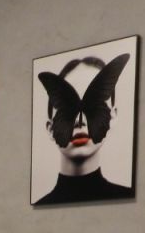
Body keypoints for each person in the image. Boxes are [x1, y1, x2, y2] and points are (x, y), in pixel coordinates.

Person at [33, 54, 133, 205]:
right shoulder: (38, 207)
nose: (80, 122)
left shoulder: (128, 198)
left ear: (112, 117)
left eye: (92, 107)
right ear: (50, 128)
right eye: (68, 110)